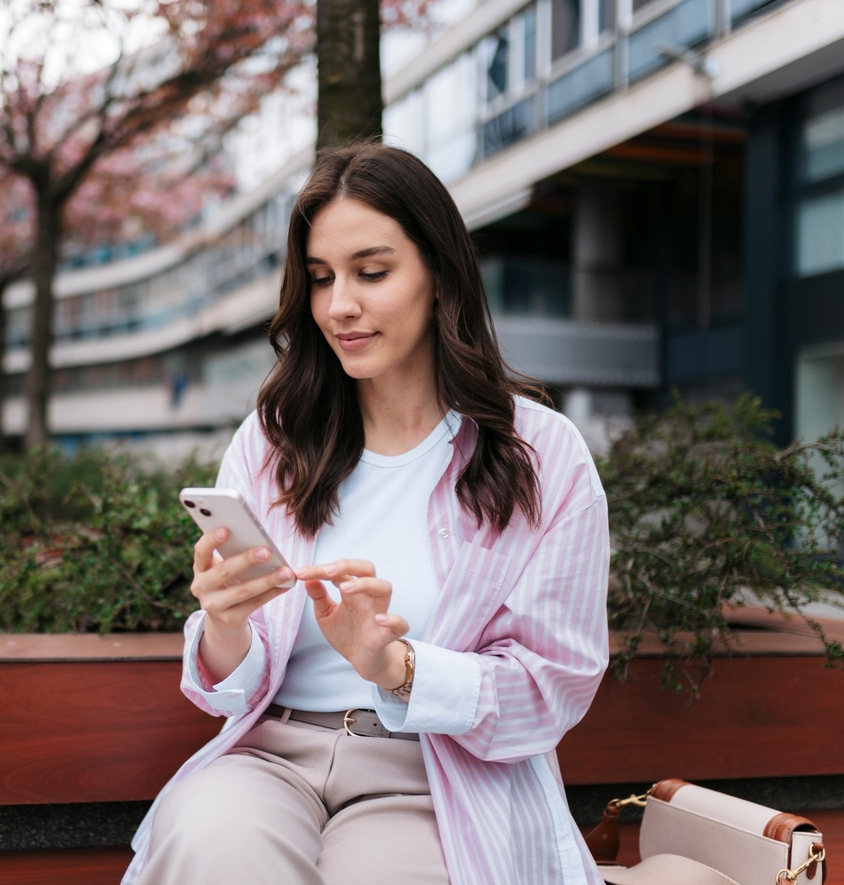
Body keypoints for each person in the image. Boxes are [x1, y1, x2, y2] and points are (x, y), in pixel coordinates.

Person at [124, 143, 610, 885]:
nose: (339, 305)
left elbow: (554, 684)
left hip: (432, 771)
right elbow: (228, 678)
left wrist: (397, 665)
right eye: (320, 279)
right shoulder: (272, 440)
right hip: (270, 754)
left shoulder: (541, 454)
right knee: (206, 842)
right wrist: (224, 623)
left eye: (371, 272)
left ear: (440, 274)